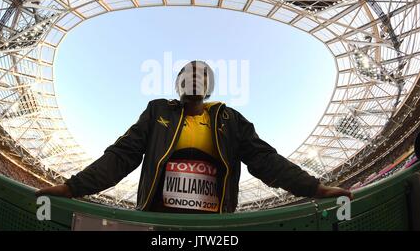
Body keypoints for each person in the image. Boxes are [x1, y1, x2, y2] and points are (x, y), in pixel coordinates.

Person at [36, 60, 352, 213]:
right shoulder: (157, 112)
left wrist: (314, 187)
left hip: (213, 225)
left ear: (208, 86)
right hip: (159, 220)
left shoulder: (229, 119)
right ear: (179, 84)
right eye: (187, 74)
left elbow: (266, 161)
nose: (194, 78)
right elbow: (121, 157)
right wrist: (72, 186)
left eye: (202, 75)